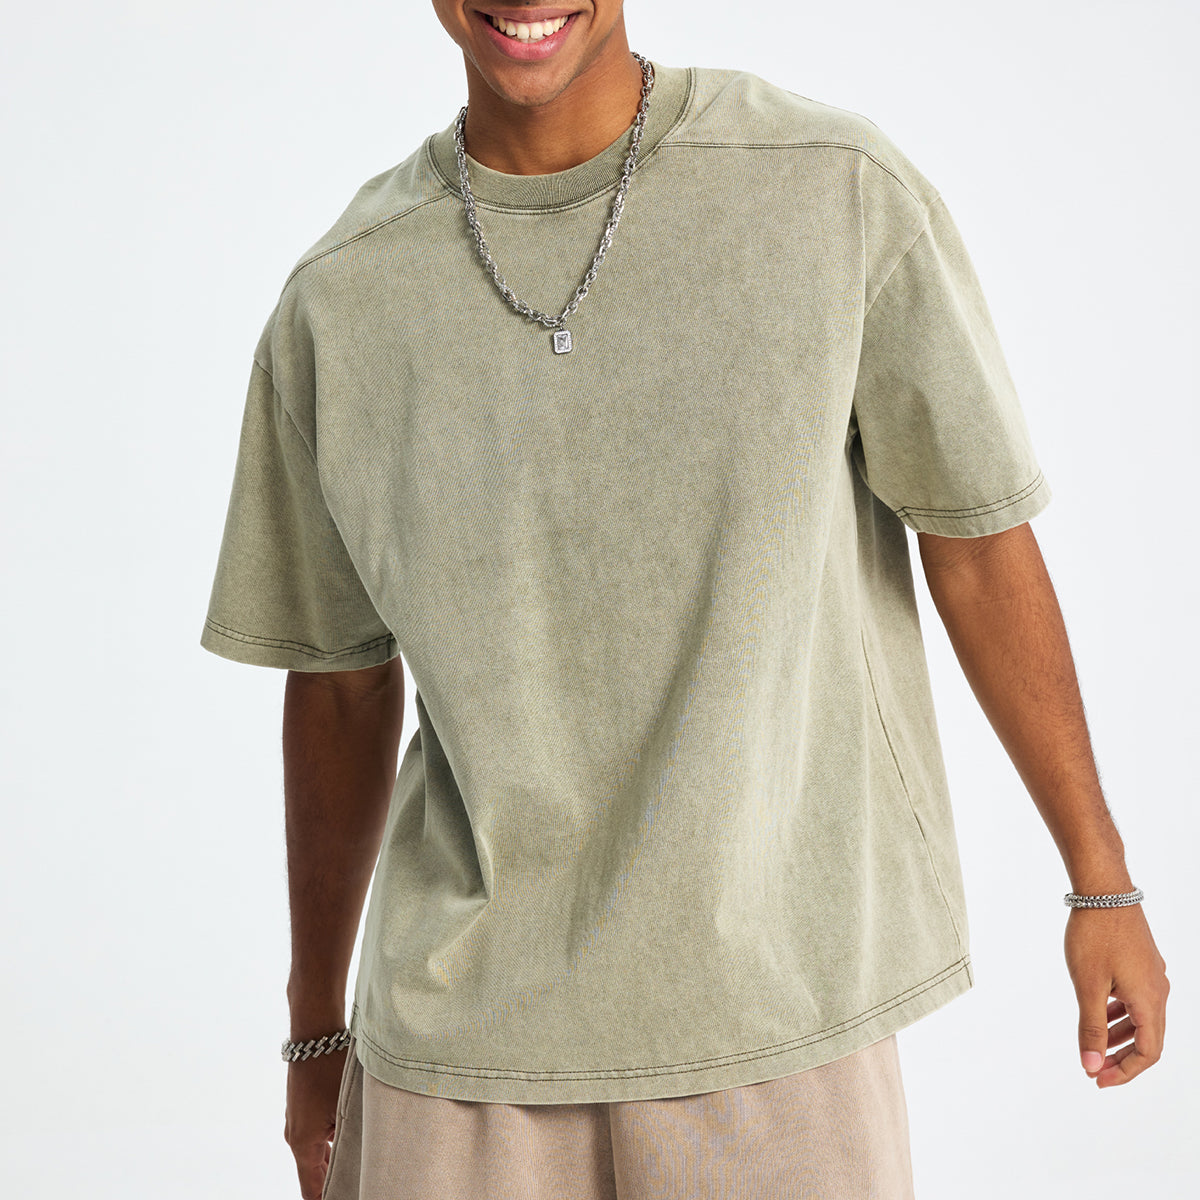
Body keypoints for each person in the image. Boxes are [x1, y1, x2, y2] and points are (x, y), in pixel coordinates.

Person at [199, 3, 1170, 1197]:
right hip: (457, 1059)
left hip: (778, 1027)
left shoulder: (829, 190)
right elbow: (340, 685)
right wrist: (314, 1034)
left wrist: (1100, 880)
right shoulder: (341, 299)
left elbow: (974, 544)